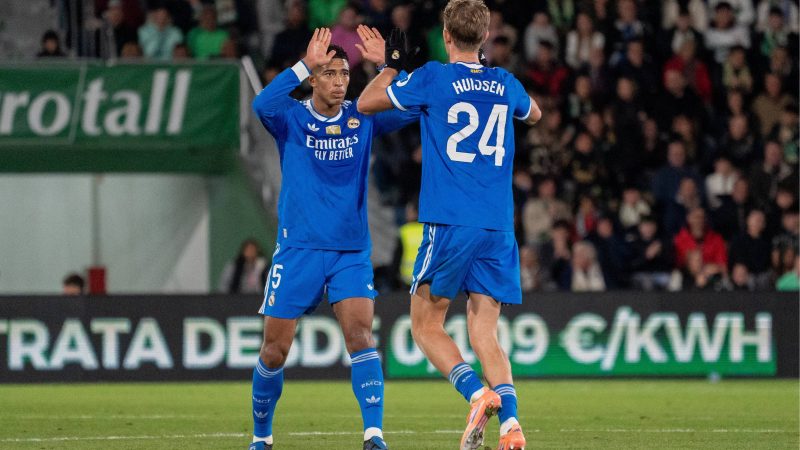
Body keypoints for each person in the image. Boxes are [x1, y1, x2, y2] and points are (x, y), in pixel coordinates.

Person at [357, 1, 542, 448]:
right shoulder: (505, 82)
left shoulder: (435, 77)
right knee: (484, 331)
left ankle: (476, 393)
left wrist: (390, 64)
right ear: (486, 35)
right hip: (498, 225)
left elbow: (366, 103)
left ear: (445, 34)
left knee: (425, 324)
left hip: (451, 221)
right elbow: (533, 114)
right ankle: (512, 425)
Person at [248, 28, 419, 450]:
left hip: (349, 251)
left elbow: (415, 102)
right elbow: (260, 103)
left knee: (361, 337)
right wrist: (304, 63)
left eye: (344, 72)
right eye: (330, 73)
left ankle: (374, 435)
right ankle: (262, 436)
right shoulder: (290, 118)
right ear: (314, 80)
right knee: (275, 350)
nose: (341, 80)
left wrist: (390, 66)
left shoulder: (363, 114)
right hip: (299, 249)